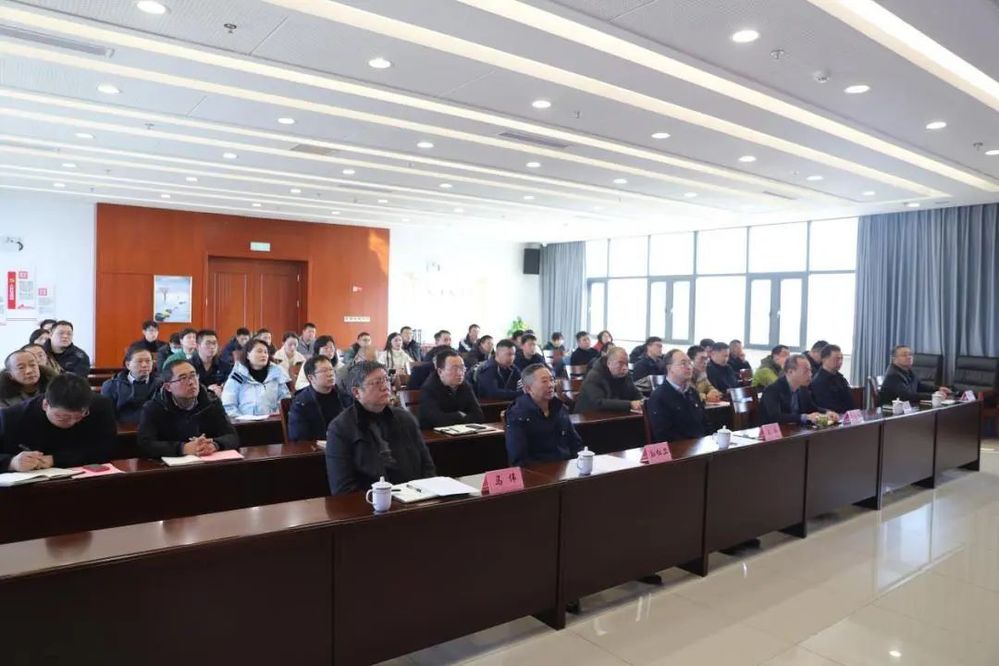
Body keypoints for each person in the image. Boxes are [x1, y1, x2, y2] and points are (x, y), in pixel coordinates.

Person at [325, 361, 435, 495]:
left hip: (414, 497)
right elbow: (342, 488)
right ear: (356, 392)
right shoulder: (340, 428)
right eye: (376, 383)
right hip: (371, 502)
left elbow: (427, 466)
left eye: (386, 380)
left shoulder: (405, 419)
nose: (385, 387)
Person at [0, 373, 115, 471]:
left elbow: (105, 448)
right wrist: (11, 462)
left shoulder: (100, 406)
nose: (72, 422)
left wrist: (55, 459)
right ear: (45, 405)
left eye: (79, 416)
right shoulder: (11, 417)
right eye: (63, 417)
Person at [137, 358, 239, 458]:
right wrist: (182, 448)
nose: (191, 382)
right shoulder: (153, 408)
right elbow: (146, 444)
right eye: (183, 378)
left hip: (207, 461)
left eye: (193, 376)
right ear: (168, 387)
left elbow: (232, 436)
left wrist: (214, 445)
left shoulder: (212, 402)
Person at [505, 363, 582, 466]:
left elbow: (575, 444)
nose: (550, 385)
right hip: (538, 471)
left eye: (551, 380)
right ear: (528, 389)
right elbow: (519, 459)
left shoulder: (559, 407)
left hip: (566, 467)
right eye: (544, 381)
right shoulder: (518, 415)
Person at [647, 349, 710, 443]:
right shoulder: (659, 397)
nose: (689, 367)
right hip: (679, 448)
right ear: (669, 368)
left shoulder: (693, 392)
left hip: (700, 445)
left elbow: (705, 423)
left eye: (690, 363)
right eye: (683, 363)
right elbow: (664, 435)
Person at [760, 354, 838, 425]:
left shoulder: (803, 388)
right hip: (775, 432)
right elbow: (775, 417)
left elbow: (812, 408)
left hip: (795, 430)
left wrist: (827, 412)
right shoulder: (772, 390)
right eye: (806, 371)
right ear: (790, 372)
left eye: (810, 370)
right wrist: (805, 417)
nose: (810, 374)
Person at [221, 338, 291, 417]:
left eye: (266, 352)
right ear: (248, 355)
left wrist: (277, 415)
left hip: (272, 421)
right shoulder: (237, 375)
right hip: (243, 422)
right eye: (259, 351)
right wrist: (240, 418)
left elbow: (285, 400)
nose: (264, 355)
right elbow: (228, 404)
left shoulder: (277, 374)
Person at [418, 350, 484, 429]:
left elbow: (479, 416)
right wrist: (459, 415)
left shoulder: (465, 385)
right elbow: (437, 420)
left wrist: (454, 418)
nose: (460, 373)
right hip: (434, 434)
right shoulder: (429, 389)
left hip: (463, 431)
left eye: (462, 368)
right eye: (454, 369)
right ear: (440, 371)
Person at [100, 345, 160, 424]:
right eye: (139, 361)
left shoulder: (160, 384)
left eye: (148, 361)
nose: (144, 365)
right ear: (128, 365)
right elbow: (107, 415)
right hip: (121, 428)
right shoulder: (112, 385)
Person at [287, 355, 342, 441]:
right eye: (324, 371)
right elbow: (298, 437)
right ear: (311, 378)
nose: (330, 374)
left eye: (331, 369)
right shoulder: (301, 403)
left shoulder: (343, 395)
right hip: (316, 446)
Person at [574, 346, 643, 413]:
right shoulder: (594, 376)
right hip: (589, 416)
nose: (625, 368)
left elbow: (636, 393)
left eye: (626, 364)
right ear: (609, 363)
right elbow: (598, 403)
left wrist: (642, 402)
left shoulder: (626, 374)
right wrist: (630, 404)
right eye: (620, 363)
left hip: (615, 414)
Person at [880, 345, 951, 405]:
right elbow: (907, 396)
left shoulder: (908, 371)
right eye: (904, 355)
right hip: (892, 412)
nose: (909, 357)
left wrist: (938, 389)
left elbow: (919, 386)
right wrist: (934, 396)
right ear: (894, 359)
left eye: (910, 354)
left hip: (907, 408)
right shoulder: (893, 375)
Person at [809, 344, 855, 413]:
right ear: (824, 359)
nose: (840, 362)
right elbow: (827, 406)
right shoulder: (819, 381)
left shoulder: (840, 378)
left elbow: (849, 400)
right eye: (837, 359)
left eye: (841, 358)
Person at [189, 329, 229, 397]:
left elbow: (229, 384)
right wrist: (207, 389)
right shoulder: (188, 365)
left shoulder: (225, 365)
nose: (212, 347)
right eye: (208, 343)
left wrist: (222, 388)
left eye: (214, 343)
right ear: (198, 346)